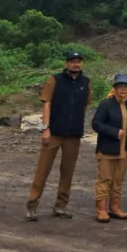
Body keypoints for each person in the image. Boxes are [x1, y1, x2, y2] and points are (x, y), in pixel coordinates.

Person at [25, 51, 92, 221]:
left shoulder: (86, 83)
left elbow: (84, 106)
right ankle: (32, 205)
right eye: (72, 61)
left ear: (81, 64)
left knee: (67, 172)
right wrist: (45, 128)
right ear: (66, 63)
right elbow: (47, 104)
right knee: (43, 169)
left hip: (73, 135)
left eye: (78, 62)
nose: (75, 64)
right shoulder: (55, 80)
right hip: (54, 132)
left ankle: (61, 206)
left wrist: (79, 125)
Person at [91, 73, 127, 223]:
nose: (124, 90)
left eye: (126, 87)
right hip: (107, 148)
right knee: (104, 179)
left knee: (118, 180)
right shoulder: (106, 104)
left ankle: (115, 208)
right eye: (120, 86)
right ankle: (101, 210)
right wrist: (114, 132)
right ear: (114, 88)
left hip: (125, 149)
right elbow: (96, 123)